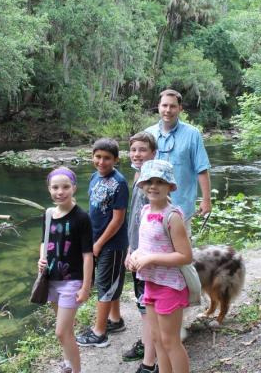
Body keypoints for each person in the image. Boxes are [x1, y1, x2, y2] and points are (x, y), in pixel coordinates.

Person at [128, 159, 193, 373]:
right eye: (149, 181)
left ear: (170, 186)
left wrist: (150, 259)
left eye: (159, 182)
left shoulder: (172, 216)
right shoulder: (145, 211)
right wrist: (134, 256)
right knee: (156, 339)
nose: (153, 186)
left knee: (170, 341)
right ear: (141, 185)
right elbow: (145, 247)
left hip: (170, 286)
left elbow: (185, 256)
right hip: (151, 283)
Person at [37, 167, 94, 373]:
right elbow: (44, 242)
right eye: (55, 187)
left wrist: (86, 287)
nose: (60, 192)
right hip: (52, 279)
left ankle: (76, 369)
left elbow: (88, 255)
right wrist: (41, 258)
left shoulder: (81, 217)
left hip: (72, 281)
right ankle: (68, 365)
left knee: (61, 332)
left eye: (65, 187)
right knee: (66, 330)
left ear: (74, 188)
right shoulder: (49, 214)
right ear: (49, 189)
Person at [76, 138, 129, 348]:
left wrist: (98, 244)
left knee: (104, 285)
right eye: (97, 157)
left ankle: (99, 333)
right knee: (109, 282)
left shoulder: (120, 183)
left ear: (115, 159)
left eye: (106, 158)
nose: (101, 161)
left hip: (113, 244)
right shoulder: (94, 177)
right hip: (96, 239)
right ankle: (115, 320)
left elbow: (118, 220)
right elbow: (94, 210)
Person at [145, 89, 212, 237]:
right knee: (154, 250)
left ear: (180, 108)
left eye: (173, 106)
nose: (168, 110)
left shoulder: (192, 134)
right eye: (164, 105)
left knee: (181, 254)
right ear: (158, 106)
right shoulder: (148, 134)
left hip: (181, 206)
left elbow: (202, 168)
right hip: (152, 206)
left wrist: (206, 200)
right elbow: (140, 170)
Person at [123, 132, 158, 373]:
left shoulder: (153, 183)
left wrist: (140, 253)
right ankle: (147, 347)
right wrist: (129, 249)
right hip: (135, 252)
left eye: (143, 150)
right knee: (143, 306)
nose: (137, 154)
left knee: (149, 309)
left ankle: (150, 363)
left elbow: (154, 226)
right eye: (134, 150)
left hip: (147, 256)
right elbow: (134, 220)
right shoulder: (139, 177)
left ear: (153, 153)